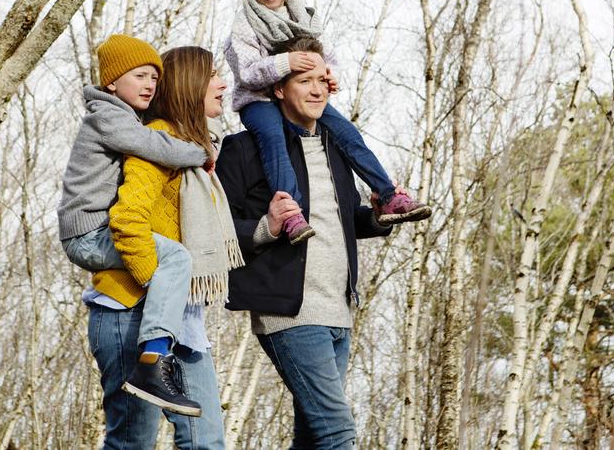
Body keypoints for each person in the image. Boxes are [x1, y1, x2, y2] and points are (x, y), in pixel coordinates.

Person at [216, 37, 393, 449]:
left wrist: (379, 218)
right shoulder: (244, 149)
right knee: (337, 432)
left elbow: (346, 220)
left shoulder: (336, 149)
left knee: (313, 437)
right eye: (303, 81)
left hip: (338, 309)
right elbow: (216, 232)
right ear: (278, 87)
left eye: (321, 80)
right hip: (290, 312)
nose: (316, 90)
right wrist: (267, 227)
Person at [224, 0, 431, 245]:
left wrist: (330, 75)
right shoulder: (245, 24)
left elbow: (326, 56)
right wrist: (286, 62)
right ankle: (291, 212)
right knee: (273, 138)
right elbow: (249, 73)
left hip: (294, 97)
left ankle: (387, 193)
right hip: (258, 98)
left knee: (346, 133)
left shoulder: (303, 15)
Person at [92, 45, 241, 449]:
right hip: (129, 311)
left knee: (206, 441)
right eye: (214, 76)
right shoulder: (157, 140)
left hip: (182, 321)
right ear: (190, 85)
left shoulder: (195, 154)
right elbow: (127, 218)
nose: (223, 84)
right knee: (132, 444)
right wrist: (157, 281)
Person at [58, 34, 208, 417]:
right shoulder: (107, 117)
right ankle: (153, 360)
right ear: (112, 82)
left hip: (94, 232)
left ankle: (155, 357)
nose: (149, 85)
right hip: (87, 234)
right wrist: (198, 153)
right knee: (174, 259)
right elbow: (155, 146)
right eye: (139, 76)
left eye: (154, 79)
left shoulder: (124, 118)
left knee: (171, 259)